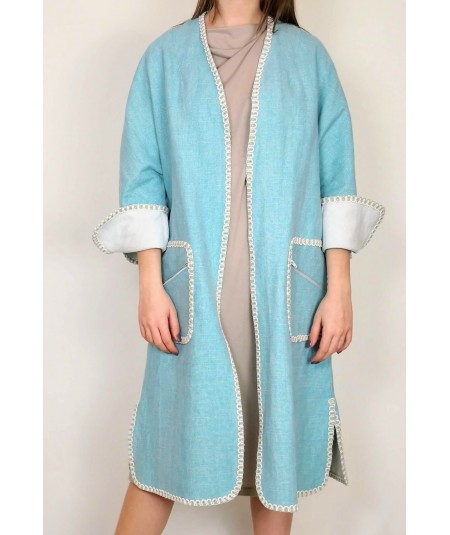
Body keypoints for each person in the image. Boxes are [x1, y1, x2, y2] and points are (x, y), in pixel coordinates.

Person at [92, 1, 385, 533]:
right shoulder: (165, 58)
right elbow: (143, 179)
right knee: (161, 456)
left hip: (285, 295)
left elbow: (336, 181)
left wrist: (339, 290)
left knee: (276, 457)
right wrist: (150, 285)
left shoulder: (308, 58)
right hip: (193, 296)